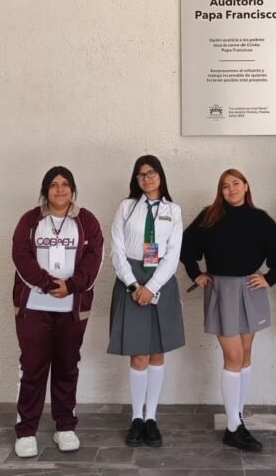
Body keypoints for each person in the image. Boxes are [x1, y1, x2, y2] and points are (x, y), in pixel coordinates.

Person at [180, 168, 276, 452]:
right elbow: (184, 246)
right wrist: (196, 274)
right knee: (233, 356)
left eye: (236, 184)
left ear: (246, 186)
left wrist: (269, 278)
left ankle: (238, 416)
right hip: (222, 290)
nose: (231, 190)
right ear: (221, 191)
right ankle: (232, 428)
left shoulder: (259, 219)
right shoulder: (209, 216)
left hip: (250, 290)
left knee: (245, 354)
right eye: (225, 186)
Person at [11, 166, 104, 459]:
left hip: (71, 310)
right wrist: (49, 284)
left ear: (72, 189)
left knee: (67, 367)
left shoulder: (87, 221)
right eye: (53, 184)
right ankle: (26, 431)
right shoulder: (30, 221)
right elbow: (20, 256)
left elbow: (95, 259)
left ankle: (65, 427)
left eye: (65, 184)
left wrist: (72, 286)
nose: (60, 189)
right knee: (32, 369)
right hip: (35, 308)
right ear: (45, 190)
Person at [107, 155, 186, 448]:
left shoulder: (173, 211)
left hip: (160, 281)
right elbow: (116, 249)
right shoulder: (126, 207)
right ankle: (136, 418)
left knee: (156, 353)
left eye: (151, 173)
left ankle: (151, 418)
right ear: (136, 179)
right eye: (141, 174)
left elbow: (173, 254)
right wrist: (133, 284)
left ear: (160, 175)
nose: (147, 178)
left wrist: (151, 287)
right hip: (131, 279)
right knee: (138, 354)